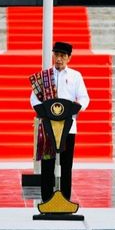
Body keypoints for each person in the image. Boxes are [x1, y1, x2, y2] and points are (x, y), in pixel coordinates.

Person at [30, 41, 90, 202]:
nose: (59, 59)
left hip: (68, 128)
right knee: (47, 164)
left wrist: (75, 109)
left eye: (63, 56)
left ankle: (65, 200)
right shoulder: (44, 76)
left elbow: (84, 98)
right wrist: (44, 114)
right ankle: (47, 200)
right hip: (49, 127)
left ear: (69, 58)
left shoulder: (75, 76)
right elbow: (34, 99)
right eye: (56, 55)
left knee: (66, 166)